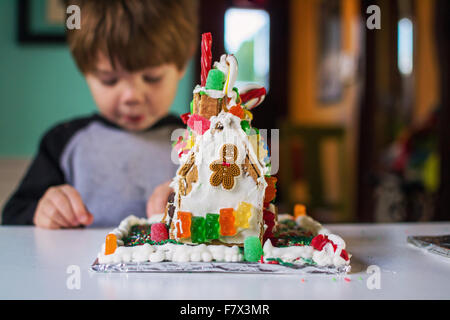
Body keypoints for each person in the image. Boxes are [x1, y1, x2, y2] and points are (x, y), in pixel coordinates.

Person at [1, 0, 198, 228]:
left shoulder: (199, 143)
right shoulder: (63, 141)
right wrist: (43, 211)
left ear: (183, 63)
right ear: (85, 69)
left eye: (152, 78)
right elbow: (13, 215)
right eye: (109, 80)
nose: (131, 96)